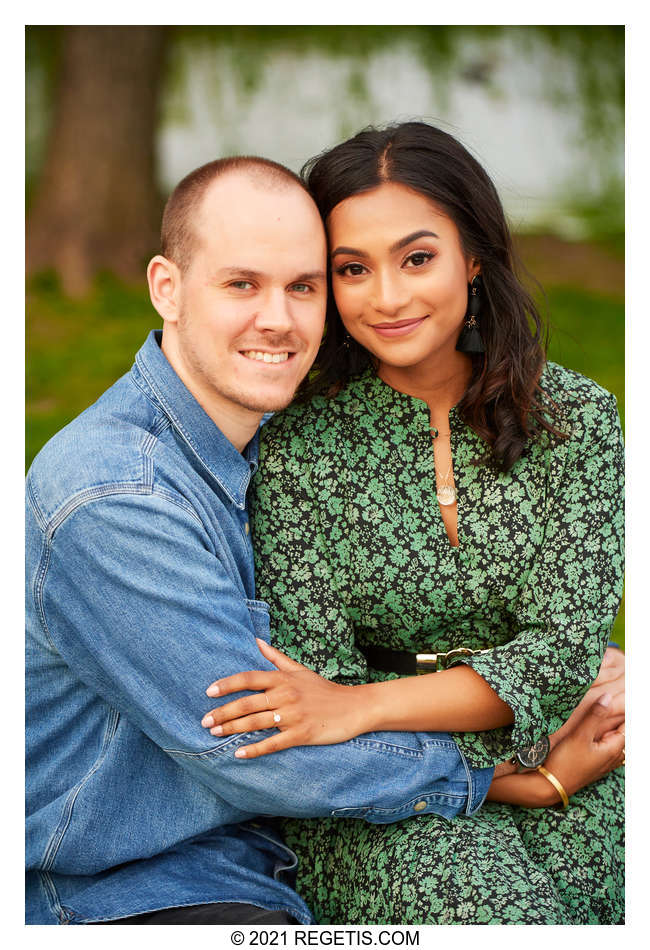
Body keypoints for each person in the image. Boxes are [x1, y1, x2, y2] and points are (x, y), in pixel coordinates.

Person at [26, 155, 535, 926]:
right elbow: (262, 747)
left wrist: (543, 671)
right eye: (242, 285)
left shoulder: (281, 439)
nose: (279, 319)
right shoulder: (114, 496)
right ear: (167, 287)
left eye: (303, 287)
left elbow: (394, 623)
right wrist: (500, 770)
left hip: (270, 840)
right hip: (126, 884)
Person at [205, 124, 626, 924]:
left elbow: (566, 652)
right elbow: (312, 688)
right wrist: (522, 774)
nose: (388, 298)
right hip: (383, 797)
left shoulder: (577, 419)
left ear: (474, 255)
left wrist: (358, 704)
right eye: (352, 270)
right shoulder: (295, 447)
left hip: (583, 750)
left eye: (417, 258)